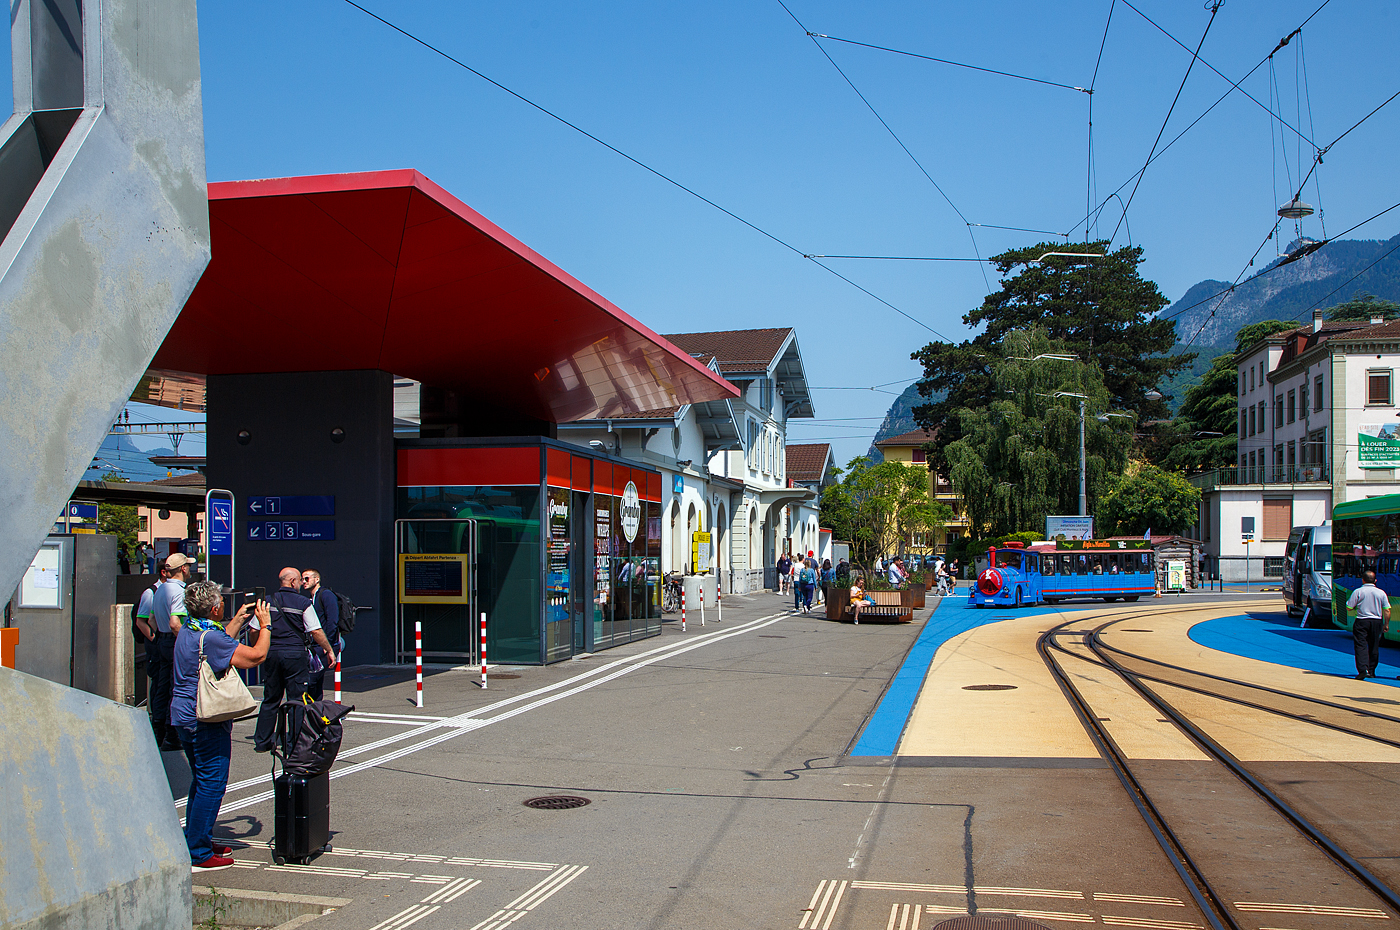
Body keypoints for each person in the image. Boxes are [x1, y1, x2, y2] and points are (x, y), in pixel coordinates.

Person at [170, 581, 271, 871]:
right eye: (222, 602)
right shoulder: (210, 637)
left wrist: (240, 618)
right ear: (215, 608)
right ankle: (199, 852)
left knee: (200, 782)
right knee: (212, 784)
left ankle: (195, 838)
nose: (225, 605)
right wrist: (264, 627)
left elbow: (218, 643)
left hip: (184, 715)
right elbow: (255, 657)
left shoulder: (191, 629)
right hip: (205, 719)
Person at [251, 568, 337, 752]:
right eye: (299, 580)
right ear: (292, 582)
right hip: (295, 655)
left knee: (271, 698)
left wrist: (259, 647)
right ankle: (294, 742)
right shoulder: (303, 602)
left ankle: (262, 741)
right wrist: (329, 649)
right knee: (297, 699)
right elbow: (315, 630)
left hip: (272, 653)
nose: (301, 584)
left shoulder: (266, 602)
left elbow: (253, 629)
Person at [150, 553, 193, 752]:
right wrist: (186, 640)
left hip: (161, 639)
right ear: (183, 569)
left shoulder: (159, 589)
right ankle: (172, 735)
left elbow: (151, 620)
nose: (190, 569)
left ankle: (156, 731)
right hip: (174, 641)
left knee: (162, 686)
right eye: (188, 566)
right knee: (176, 688)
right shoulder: (179, 592)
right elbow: (175, 622)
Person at [300, 568, 341, 697]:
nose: (303, 582)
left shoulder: (326, 595)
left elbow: (332, 620)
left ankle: (312, 710)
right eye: (302, 579)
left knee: (312, 679)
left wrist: (327, 644)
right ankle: (316, 711)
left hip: (323, 644)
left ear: (316, 579)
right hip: (315, 645)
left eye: (307, 578)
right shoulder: (312, 598)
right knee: (316, 682)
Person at [1346, 569, 1391, 680]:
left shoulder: (1358, 592)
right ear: (1375, 580)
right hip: (1377, 621)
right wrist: (1386, 624)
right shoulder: (1381, 593)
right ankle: (1371, 670)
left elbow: (1349, 607)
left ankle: (1363, 669)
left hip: (1362, 620)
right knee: (1374, 646)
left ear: (1363, 580)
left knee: (1360, 645)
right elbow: (1387, 610)